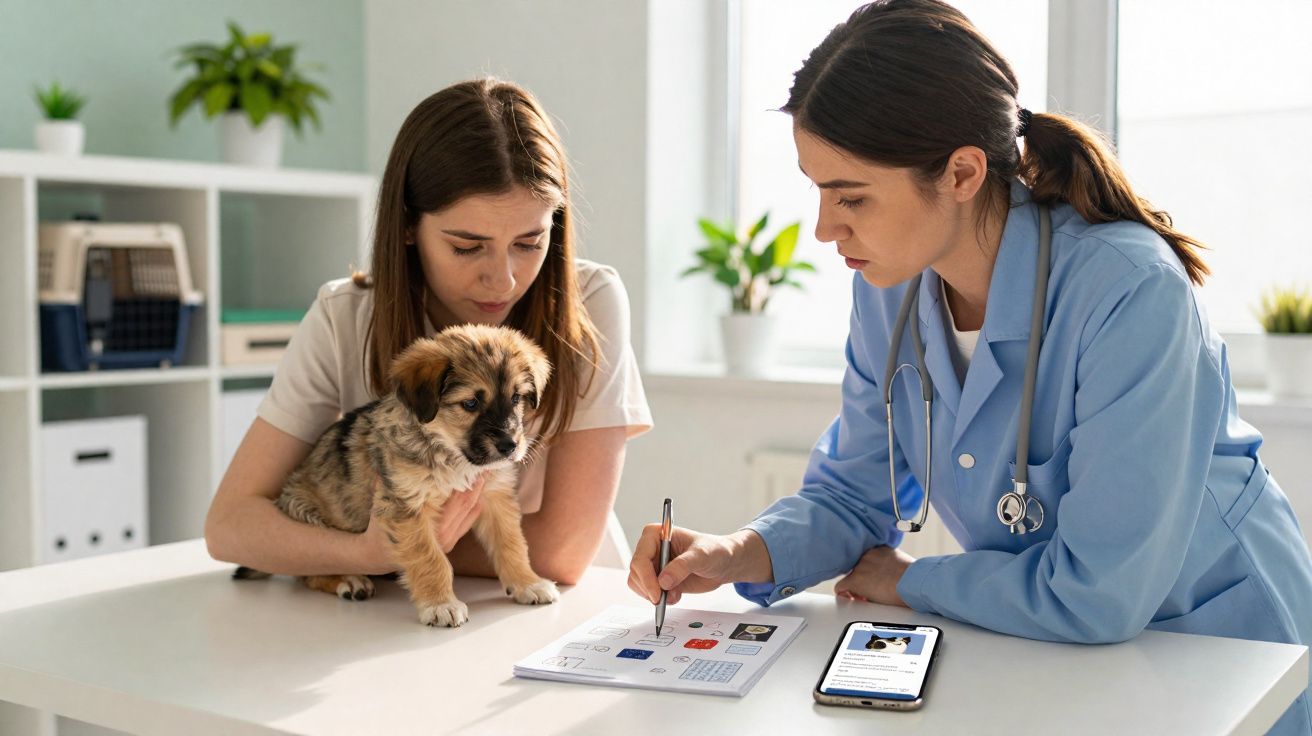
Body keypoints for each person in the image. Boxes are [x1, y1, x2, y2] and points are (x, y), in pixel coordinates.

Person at [627, 2, 1312, 731]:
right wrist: (737, 552)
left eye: (851, 196)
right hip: (1060, 655)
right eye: (817, 189)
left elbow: (1101, 590)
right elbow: (856, 496)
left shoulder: (1129, 291)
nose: (825, 228)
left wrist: (914, 582)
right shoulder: (886, 290)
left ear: (961, 173)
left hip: (1223, 654)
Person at [206, 78, 652, 586]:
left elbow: (561, 553)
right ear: (407, 226)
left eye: (530, 242)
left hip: (551, 608)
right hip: (386, 613)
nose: (503, 279)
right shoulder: (345, 315)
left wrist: (398, 542)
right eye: (467, 246)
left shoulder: (588, 302)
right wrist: (371, 553)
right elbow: (229, 527)